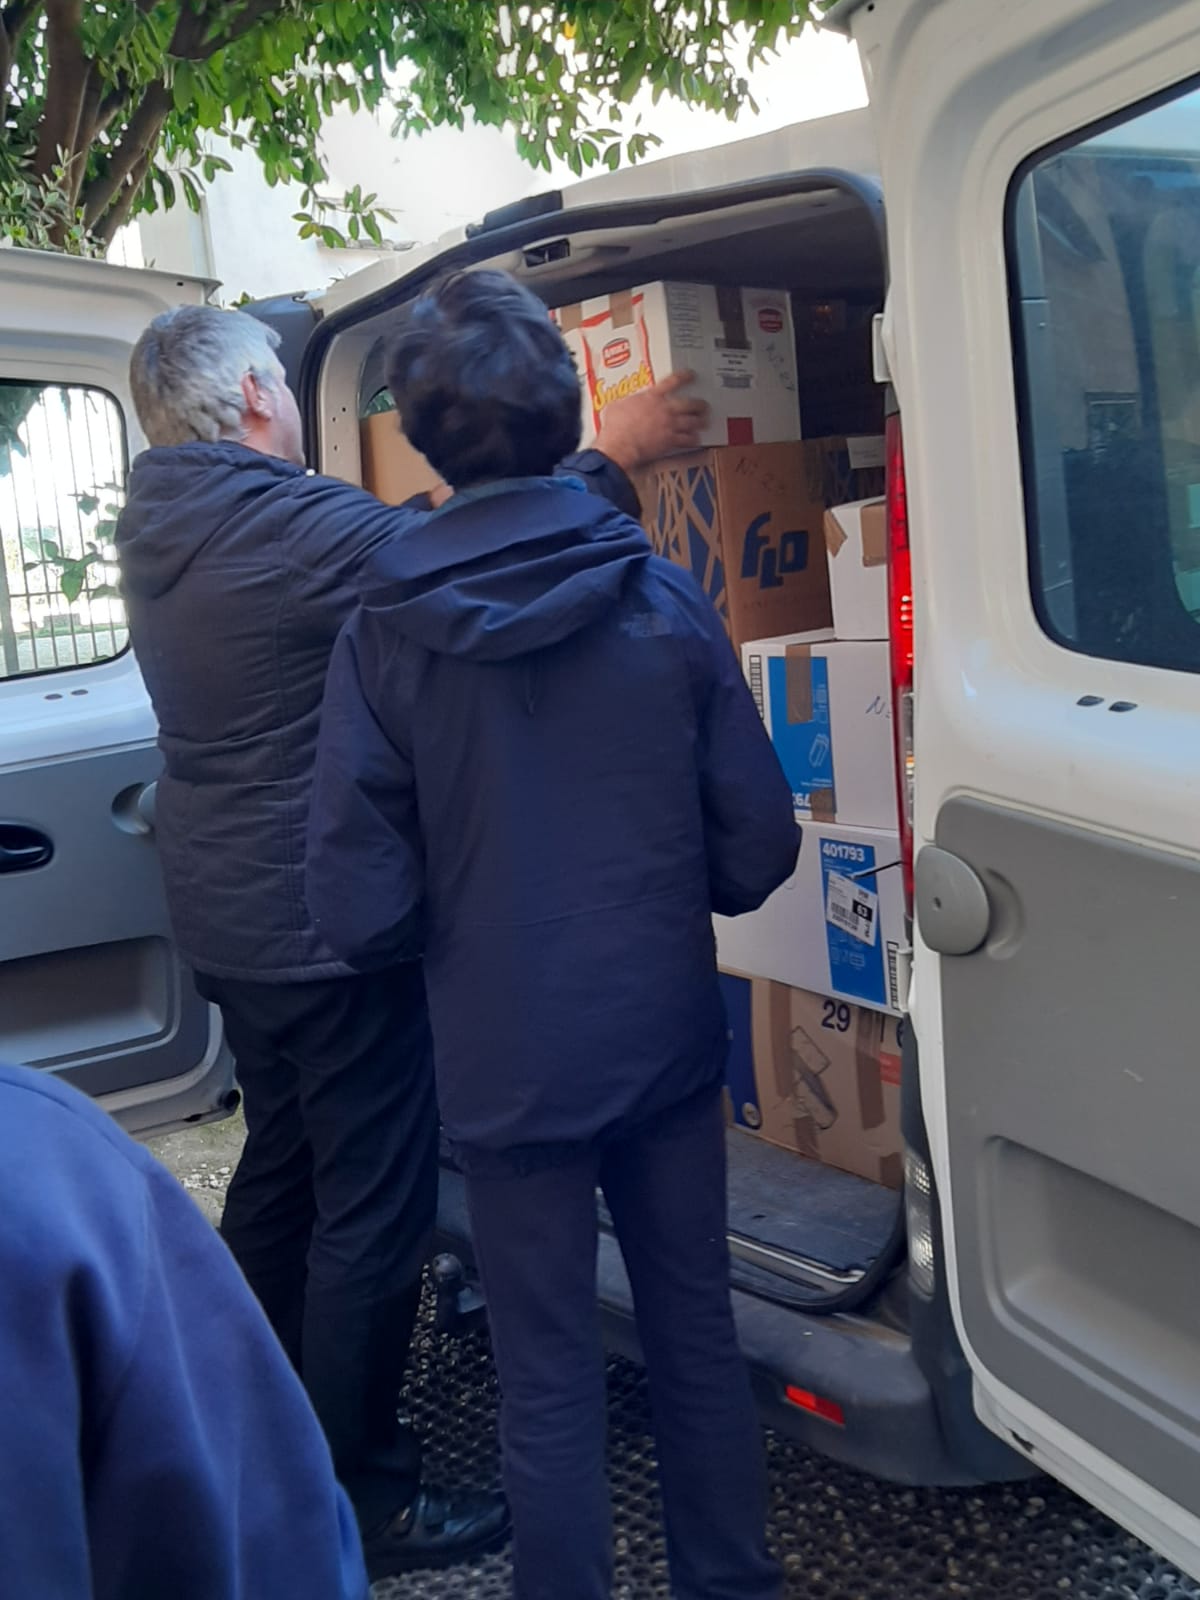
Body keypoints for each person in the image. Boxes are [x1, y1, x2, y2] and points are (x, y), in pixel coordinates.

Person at [116, 301, 703, 1580]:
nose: (288, 396)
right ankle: (357, 1492)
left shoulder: (161, 520)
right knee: (369, 1211)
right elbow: (484, 548)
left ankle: (241, 1423)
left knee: (282, 1172)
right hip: (315, 923)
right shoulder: (282, 526)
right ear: (257, 398)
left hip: (227, 913)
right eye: (281, 379)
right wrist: (613, 451)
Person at [306, 268, 800, 1600]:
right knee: (694, 1333)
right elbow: (758, 847)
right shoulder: (664, 601)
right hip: (660, 1039)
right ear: (570, 413)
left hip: (505, 1062)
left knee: (545, 1375)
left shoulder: (382, 637)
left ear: (421, 437)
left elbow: (357, 907)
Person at [0, 1059, 368, 1600]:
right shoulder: (43, 1168)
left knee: (281, 1152)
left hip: (255, 999)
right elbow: (270, 1548)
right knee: (364, 1183)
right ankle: (372, 1477)